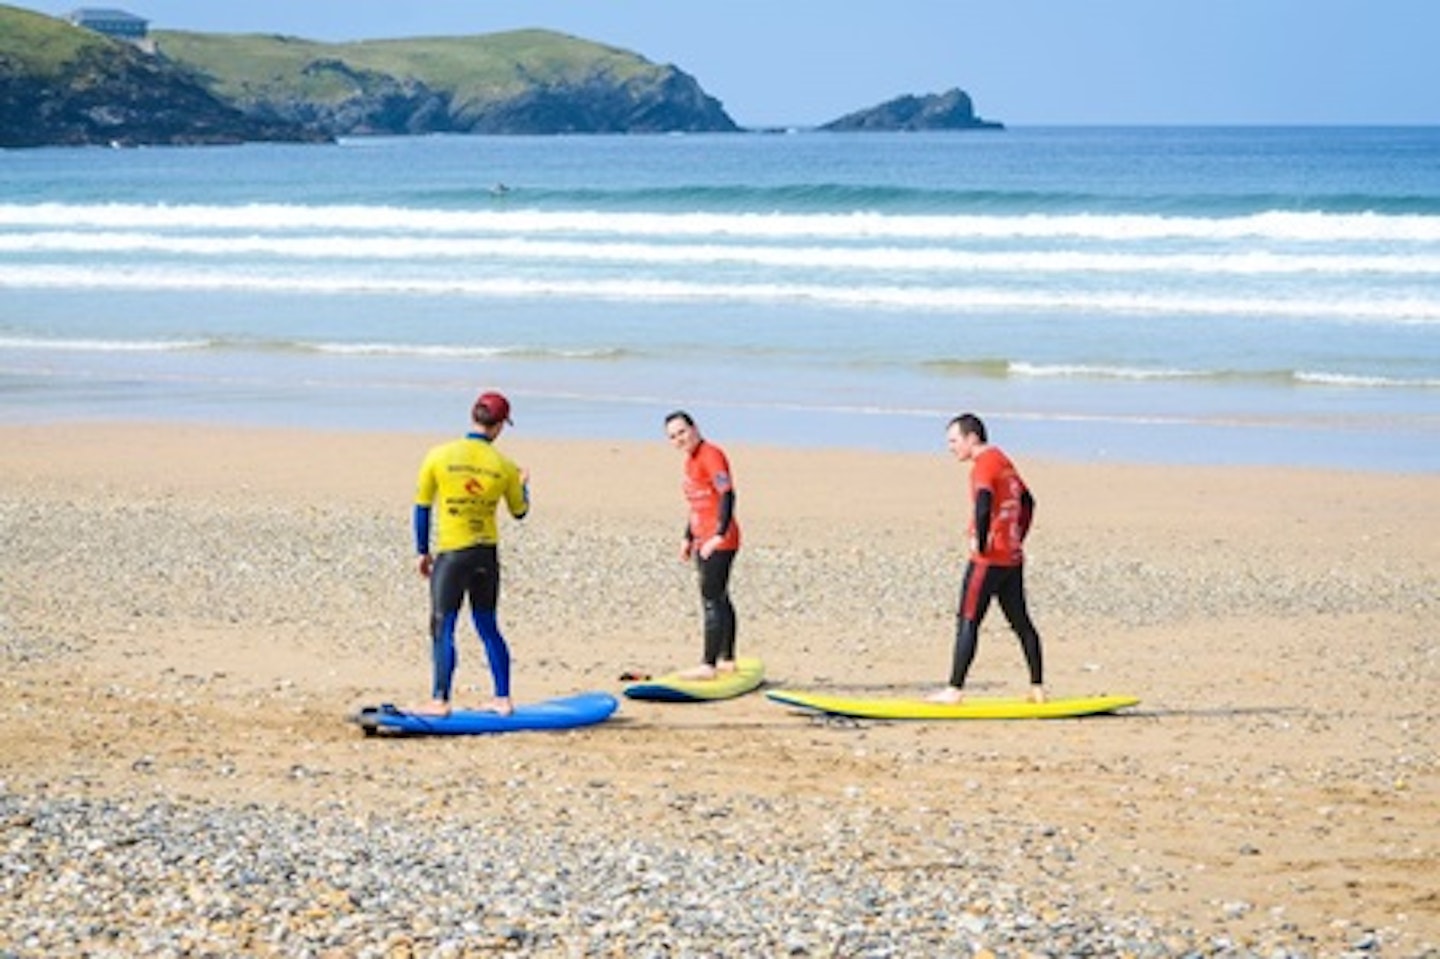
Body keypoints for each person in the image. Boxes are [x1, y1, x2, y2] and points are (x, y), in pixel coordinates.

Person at [411, 390, 530, 716]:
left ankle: (440, 700)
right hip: (486, 555)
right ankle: (503, 698)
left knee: (443, 625)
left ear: (473, 415)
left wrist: (422, 551)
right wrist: (524, 484)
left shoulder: (438, 455)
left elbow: (422, 507)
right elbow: (520, 512)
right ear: (500, 425)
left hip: (453, 554)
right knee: (487, 625)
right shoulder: (505, 466)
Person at [929, 413, 1046, 704]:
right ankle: (1038, 688)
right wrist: (1018, 536)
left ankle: (954, 691)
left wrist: (981, 542)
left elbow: (982, 504)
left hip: (988, 560)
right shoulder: (1004, 461)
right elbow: (1029, 502)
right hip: (1012, 558)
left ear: (972, 438)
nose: (950, 447)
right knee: (1021, 622)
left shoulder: (983, 466)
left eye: (954, 441)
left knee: (968, 620)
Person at [664, 410, 741, 680]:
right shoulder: (690, 461)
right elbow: (697, 504)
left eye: (682, 432)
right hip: (702, 537)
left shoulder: (711, 455)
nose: (679, 439)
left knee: (711, 599)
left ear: (694, 428)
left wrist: (718, 535)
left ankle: (708, 664)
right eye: (673, 437)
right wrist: (687, 537)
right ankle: (727, 658)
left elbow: (728, 495)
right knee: (720, 596)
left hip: (719, 540)